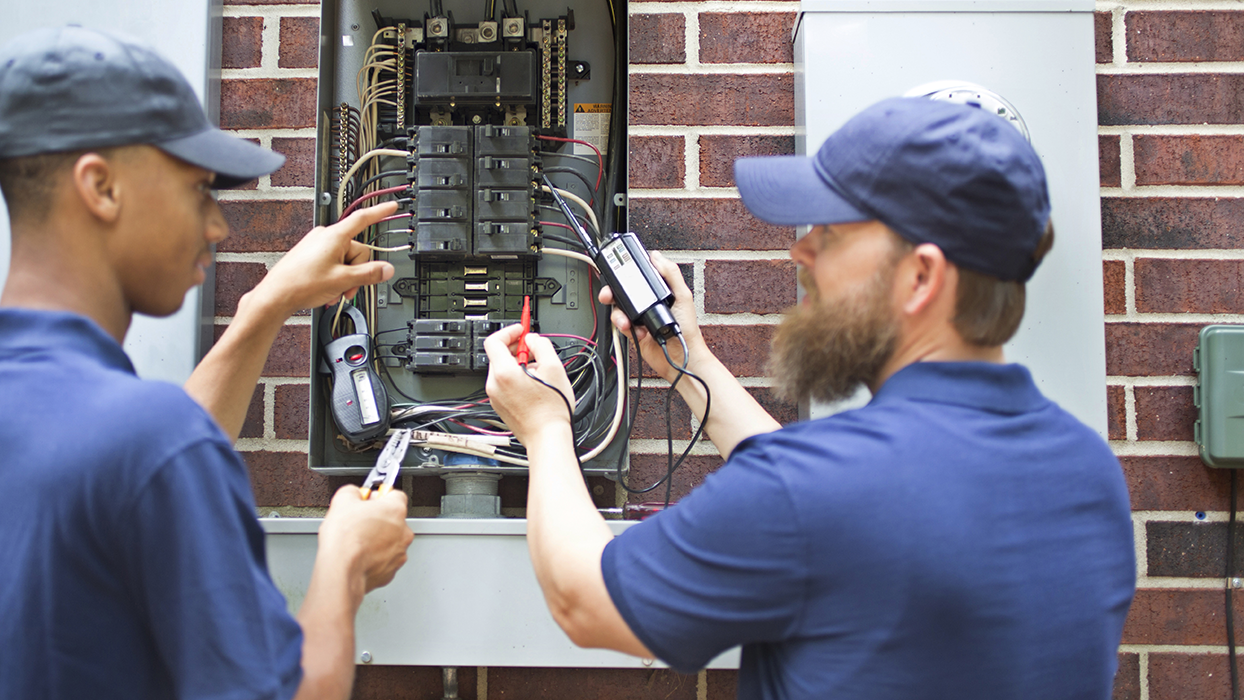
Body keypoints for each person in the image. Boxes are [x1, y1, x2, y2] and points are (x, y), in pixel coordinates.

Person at [483, 97, 1136, 699]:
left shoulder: (817, 489)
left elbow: (585, 600)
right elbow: (840, 504)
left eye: (831, 231)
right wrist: (691, 363)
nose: (800, 251)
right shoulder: (1087, 470)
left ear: (921, 276)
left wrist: (544, 426)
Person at [0, 26, 413, 700]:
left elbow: (124, 470)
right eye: (199, 188)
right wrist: (345, 564)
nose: (217, 225)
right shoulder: (153, 441)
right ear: (101, 187)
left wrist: (267, 305)